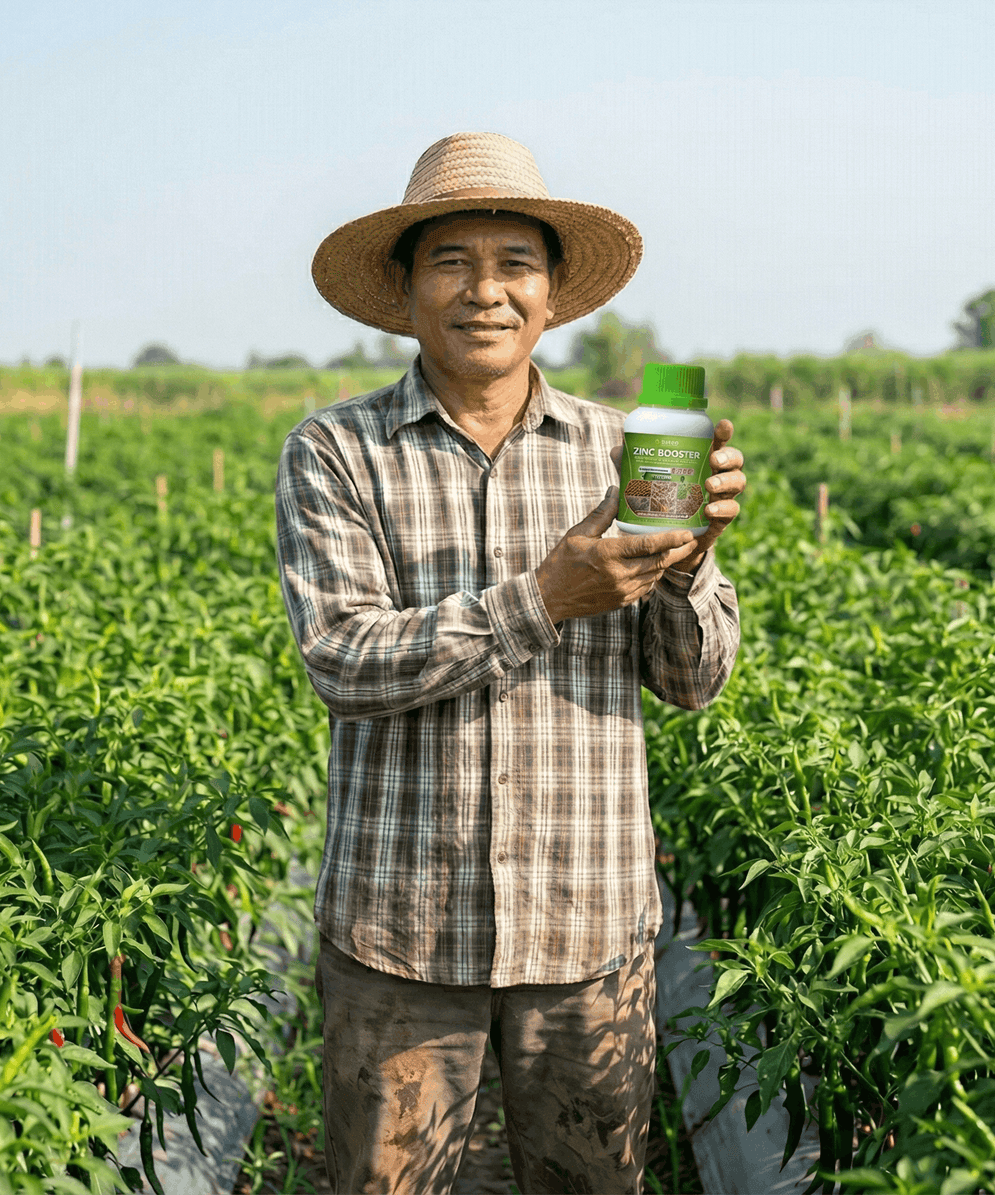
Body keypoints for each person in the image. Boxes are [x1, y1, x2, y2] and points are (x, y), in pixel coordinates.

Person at [276, 131, 745, 1194]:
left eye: (513, 264)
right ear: (405, 288)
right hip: (402, 928)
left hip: (586, 927)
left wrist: (687, 564)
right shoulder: (338, 451)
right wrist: (543, 600)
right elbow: (342, 658)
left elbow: (694, 681)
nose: (484, 291)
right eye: (451, 262)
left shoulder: (618, 450)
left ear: (551, 293)